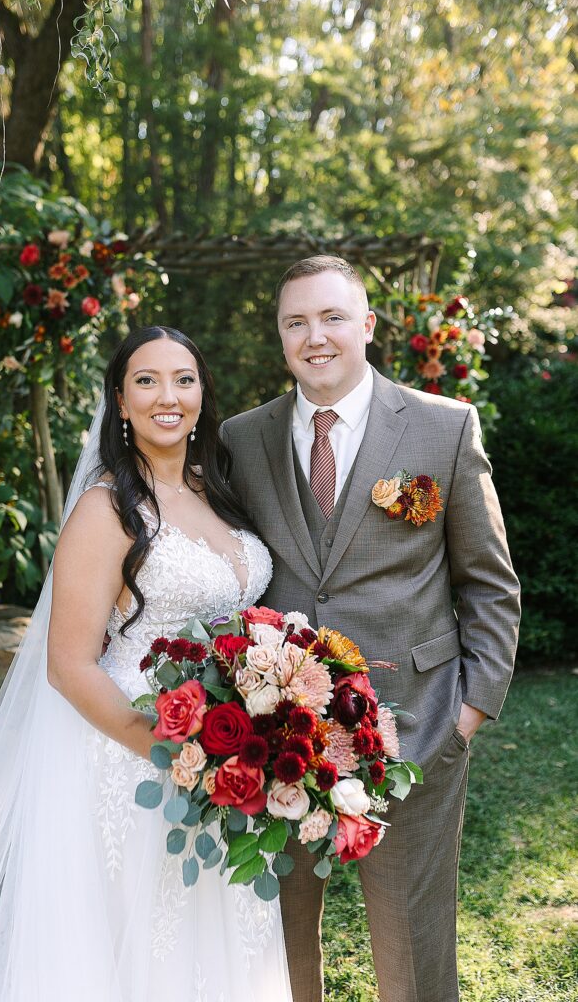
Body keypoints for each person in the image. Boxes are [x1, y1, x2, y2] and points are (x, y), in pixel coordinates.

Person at [0, 326, 293, 1002]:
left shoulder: (216, 489)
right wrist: (176, 754)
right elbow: (69, 665)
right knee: (142, 942)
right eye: (147, 380)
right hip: (136, 748)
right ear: (120, 399)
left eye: (184, 379)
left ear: (202, 394)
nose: (168, 396)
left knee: (217, 928)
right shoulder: (106, 507)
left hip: (231, 748)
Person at [222, 256, 521, 1002]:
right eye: (295, 322)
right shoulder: (239, 438)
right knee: (272, 946)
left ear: (366, 325)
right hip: (274, 743)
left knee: (412, 954)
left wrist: (467, 715)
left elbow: (488, 583)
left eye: (330, 318)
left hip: (415, 729)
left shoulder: (441, 427)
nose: (313, 337)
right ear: (280, 336)